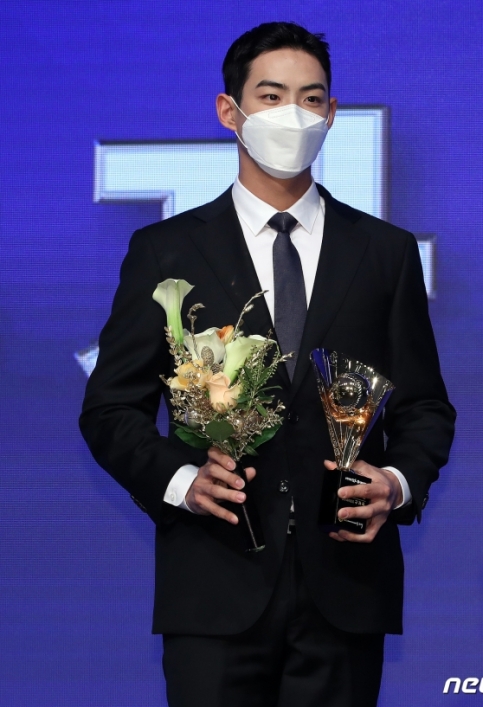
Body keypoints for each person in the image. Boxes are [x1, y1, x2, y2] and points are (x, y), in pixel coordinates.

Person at [80, 21, 455, 707]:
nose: (294, 115)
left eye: (311, 99)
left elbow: (425, 405)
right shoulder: (165, 251)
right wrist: (182, 481)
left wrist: (398, 483)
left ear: (332, 114)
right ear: (231, 111)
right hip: (213, 584)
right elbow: (110, 409)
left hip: (346, 585)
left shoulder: (384, 252)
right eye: (273, 95)